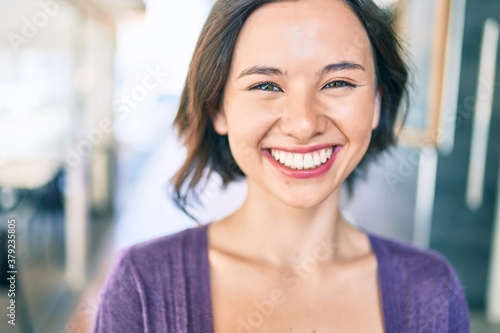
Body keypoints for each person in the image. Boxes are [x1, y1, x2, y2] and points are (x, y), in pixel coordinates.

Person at [94, 0, 470, 332]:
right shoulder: (142, 287)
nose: (304, 124)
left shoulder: (431, 290)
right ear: (218, 108)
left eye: (338, 82)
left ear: (375, 102)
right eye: (267, 86)